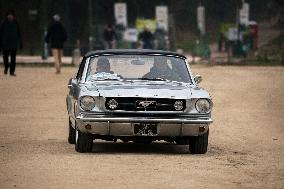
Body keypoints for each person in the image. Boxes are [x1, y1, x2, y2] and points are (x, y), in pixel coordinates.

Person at [0, 10, 22, 76]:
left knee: (13, 58)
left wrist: (20, 42)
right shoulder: (3, 23)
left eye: (11, 15)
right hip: (5, 43)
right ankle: (6, 67)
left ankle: (12, 71)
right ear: (7, 16)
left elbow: (19, 33)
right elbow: (0, 34)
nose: (10, 16)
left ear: (13, 16)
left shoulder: (16, 23)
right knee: (5, 57)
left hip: (13, 43)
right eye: (9, 15)